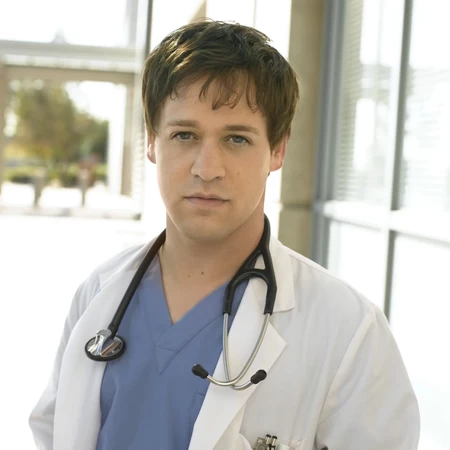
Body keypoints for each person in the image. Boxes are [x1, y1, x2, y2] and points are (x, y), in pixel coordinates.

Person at [29, 20, 420, 450]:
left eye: (236, 139)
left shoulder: (348, 331)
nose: (207, 168)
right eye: (184, 135)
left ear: (277, 150)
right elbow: (53, 432)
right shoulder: (99, 294)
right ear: (152, 142)